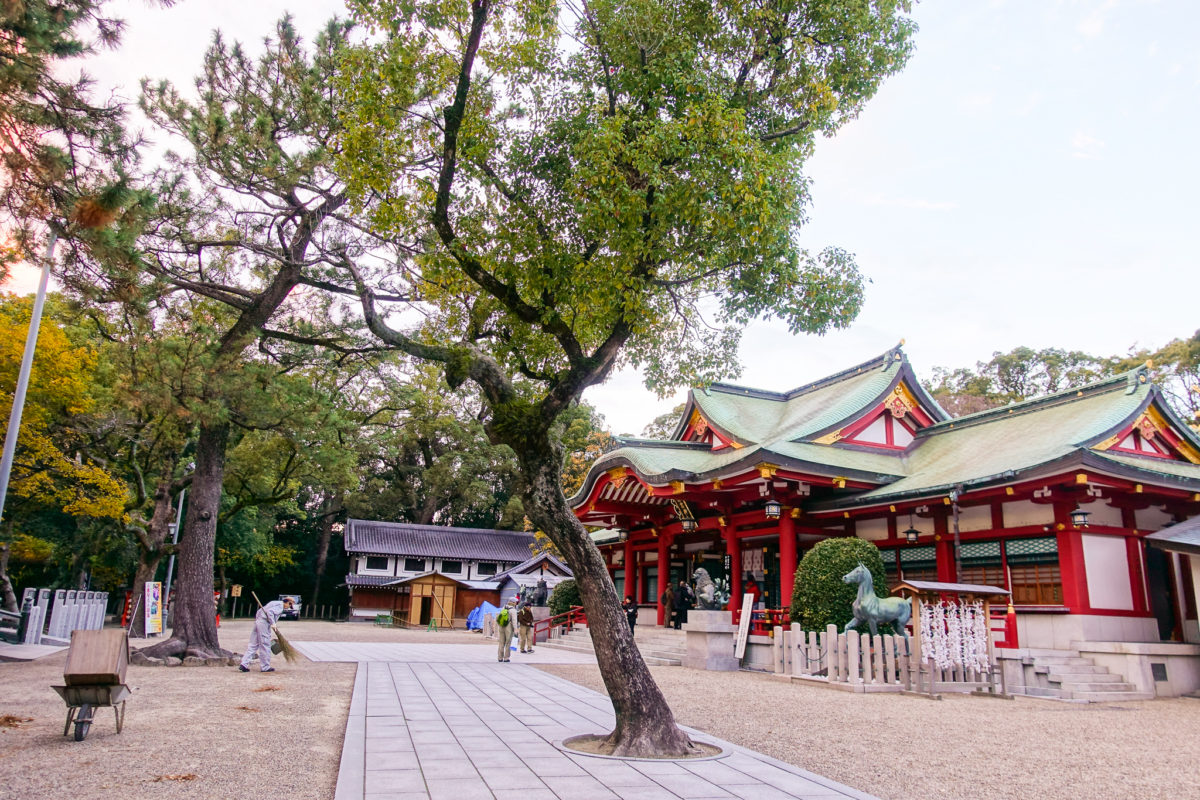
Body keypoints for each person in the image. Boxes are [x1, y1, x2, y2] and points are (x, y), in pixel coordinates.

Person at [238, 596, 294, 673]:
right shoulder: (280, 606)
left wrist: (259, 620)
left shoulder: (273, 602)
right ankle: (265, 667)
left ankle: (244, 664)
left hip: (259, 622)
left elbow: (260, 611)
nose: (288, 607)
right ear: (288, 602)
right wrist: (273, 623)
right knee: (265, 645)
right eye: (289, 605)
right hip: (264, 623)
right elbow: (270, 612)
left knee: (253, 645)